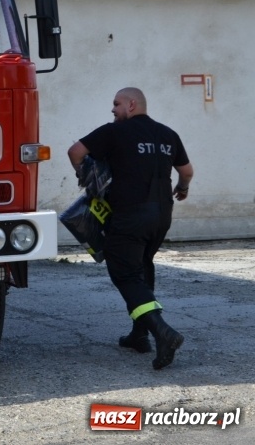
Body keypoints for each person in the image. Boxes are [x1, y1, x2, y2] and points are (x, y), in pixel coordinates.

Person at [67, 87, 194, 369]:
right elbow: (186, 172)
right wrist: (182, 189)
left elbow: (75, 152)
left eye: (116, 104)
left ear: (131, 104)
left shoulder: (114, 132)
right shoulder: (167, 134)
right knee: (142, 265)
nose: (112, 110)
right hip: (161, 216)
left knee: (124, 274)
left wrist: (88, 176)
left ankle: (163, 331)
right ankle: (140, 335)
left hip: (130, 216)